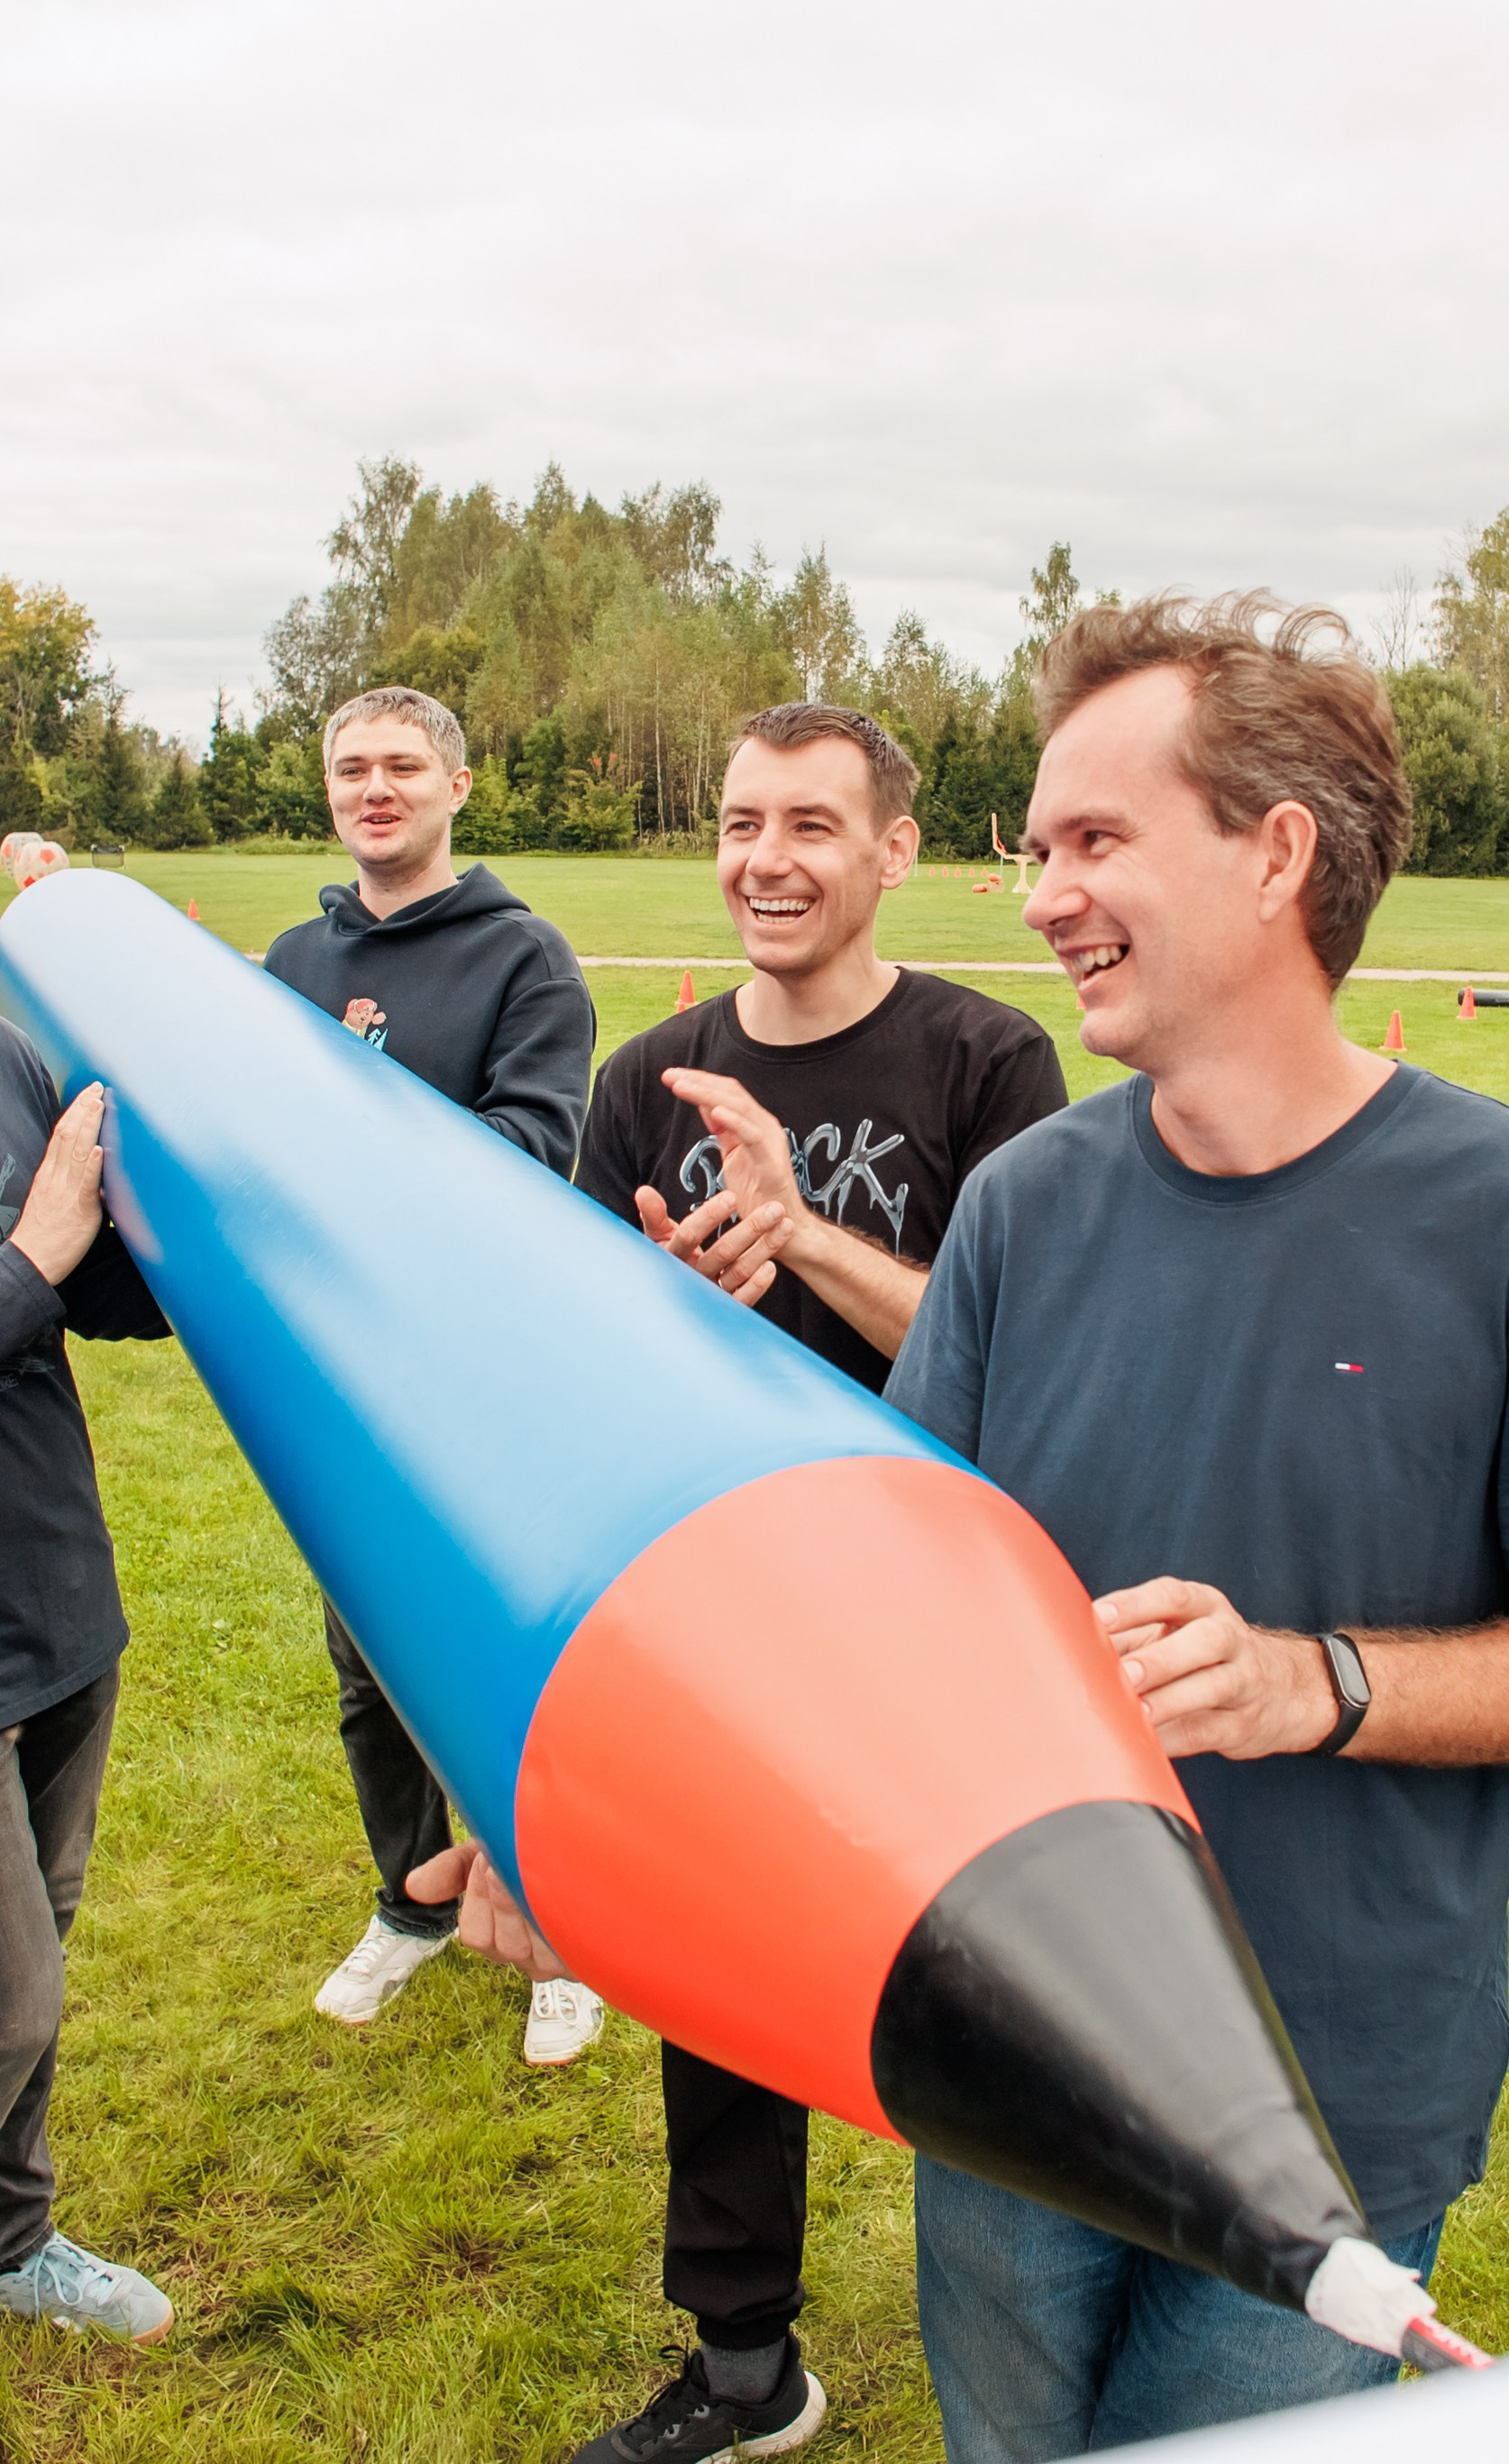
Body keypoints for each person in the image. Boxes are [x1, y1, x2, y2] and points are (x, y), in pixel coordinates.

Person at [882, 595, 1509, 2460]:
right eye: (1035, 848)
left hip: (1336, 2087)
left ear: (1275, 857)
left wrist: (1306, 1682)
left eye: (1093, 839)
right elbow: (900, 1595)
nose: (1035, 896)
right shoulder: (1021, 1209)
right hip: (1017, 2026)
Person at [410, 700, 1068, 2464]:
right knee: (719, 1985)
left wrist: (800, 1243)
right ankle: (742, 2368)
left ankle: (1043, 2335)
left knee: (996, 1990)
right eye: (738, 822)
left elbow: (1017, 1375)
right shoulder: (652, 1073)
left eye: (808, 826)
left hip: (939, 1612)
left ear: (894, 852)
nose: (764, 860)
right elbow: (590, 1379)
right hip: (726, 1610)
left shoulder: (986, 1066)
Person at [264, 684, 603, 2068]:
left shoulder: (529, 962)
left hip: (486, 1380)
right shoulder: (291, 957)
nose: (376, 788)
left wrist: (351, 1135)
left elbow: (532, 1153)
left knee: (500, 1665)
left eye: (404, 765)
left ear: (459, 786)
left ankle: (564, 1934)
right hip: (329, 1376)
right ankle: (408, 1901)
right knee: (363, 1658)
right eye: (353, 769)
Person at [0, 1050, 175, 2341]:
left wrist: (186, 1235)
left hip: (51, 1600)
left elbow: (89, 1289)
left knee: (38, 1950)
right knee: (12, 2001)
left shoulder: (4, 1056)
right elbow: (34, 1265)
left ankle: (13, 2242)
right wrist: (30, 1261)